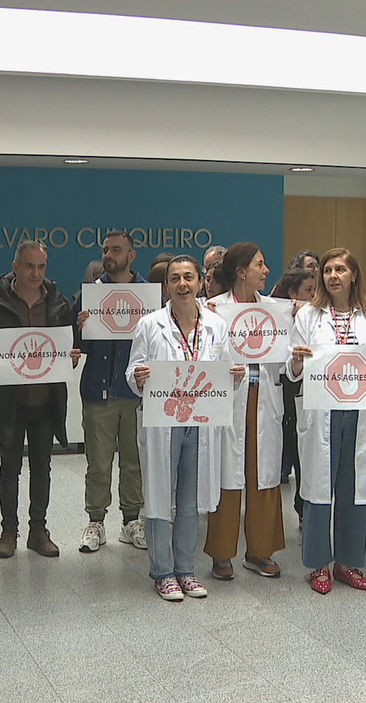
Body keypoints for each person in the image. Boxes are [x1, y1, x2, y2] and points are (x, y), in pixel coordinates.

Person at [127, 254, 242, 600]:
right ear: (166, 286)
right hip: (164, 422)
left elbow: (227, 370)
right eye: (175, 278)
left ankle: (186, 570)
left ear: (201, 282)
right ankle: (163, 571)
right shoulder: (150, 325)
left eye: (189, 277)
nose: (182, 284)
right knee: (160, 496)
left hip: (200, 423)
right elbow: (132, 370)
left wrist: (236, 376)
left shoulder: (217, 326)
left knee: (190, 499)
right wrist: (138, 377)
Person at [287, 248, 366, 594]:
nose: (333, 276)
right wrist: (297, 361)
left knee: (355, 486)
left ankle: (348, 562)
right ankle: (318, 563)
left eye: (340, 269)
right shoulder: (308, 315)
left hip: (361, 411)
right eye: (328, 270)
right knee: (319, 488)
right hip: (322, 411)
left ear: (354, 275)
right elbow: (292, 368)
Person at [0, 240, 80, 559]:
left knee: (42, 468)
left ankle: (38, 530)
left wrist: (69, 357)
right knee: (9, 468)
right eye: (29, 266)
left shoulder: (58, 304)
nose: (36, 273)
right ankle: (8, 531)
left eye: (41, 266)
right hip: (9, 403)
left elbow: (65, 348)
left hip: (46, 402)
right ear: (15, 266)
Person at [205, 242, 286, 579]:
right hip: (230, 397)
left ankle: (260, 551)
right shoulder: (213, 310)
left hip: (264, 396)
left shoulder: (276, 310)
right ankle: (222, 553)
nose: (266, 271)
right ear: (241, 272)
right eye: (260, 265)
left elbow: (287, 359)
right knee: (227, 472)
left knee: (263, 473)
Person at [73, 231, 148, 553]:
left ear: (131, 255)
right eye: (105, 250)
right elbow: (77, 347)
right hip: (98, 389)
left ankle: (131, 520)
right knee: (98, 463)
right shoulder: (89, 295)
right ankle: (95, 522)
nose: (108, 255)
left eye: (116, 250)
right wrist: (81, 328)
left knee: (134, 461)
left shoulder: (149, 296)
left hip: (135, 393)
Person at [270, 268, 315, 511]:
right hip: (285, 382)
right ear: (292, 294)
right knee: (293, 439)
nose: (314, 295)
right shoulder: (276, 313)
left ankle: (303, 504)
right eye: (309, 290)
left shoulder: (315, 316)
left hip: (309, 384)